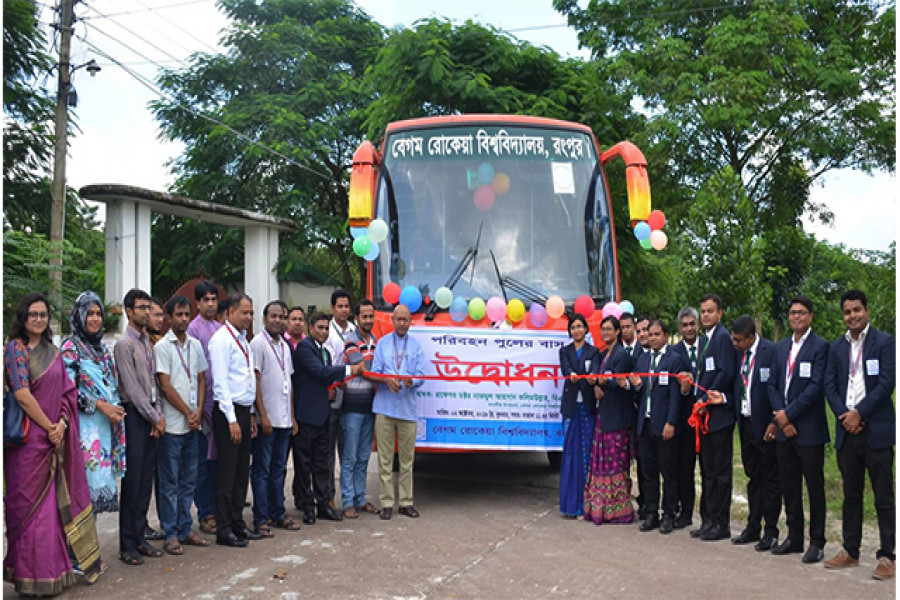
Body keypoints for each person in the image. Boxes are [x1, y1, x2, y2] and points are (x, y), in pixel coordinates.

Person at [4, 293, 103, 593]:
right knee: (27, 512)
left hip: (53, 441)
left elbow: (67, 394)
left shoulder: (54, 353)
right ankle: (27, 579)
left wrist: (60, 424)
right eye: (33, 314)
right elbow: (22, 394)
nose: (38, 319)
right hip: (27, 445)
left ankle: (51, 575)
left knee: (50, 513)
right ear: (23, 317)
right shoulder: (15, 349)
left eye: (43, 315)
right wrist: (49, 427)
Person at [823, 290, 896, 579]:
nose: (852, 316)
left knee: (883, 496)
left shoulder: (885, 342)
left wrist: (859, 413)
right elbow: (829, 385)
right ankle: (850, 551)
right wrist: (845, 415)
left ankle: (887, 555)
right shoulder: (836, 347)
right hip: (847, 432)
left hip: (876, 431)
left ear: (866, 310)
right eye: (847, 312)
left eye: (857, 310)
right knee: (850, 495)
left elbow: (887, 383)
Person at [768, 295, 829, 564]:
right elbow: (771, 384)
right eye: (793, 312)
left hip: (809, 430)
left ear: (810, 316)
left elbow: (816, 387)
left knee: (814, 487)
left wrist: (789, 414)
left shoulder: (820, 346)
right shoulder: (781, 347)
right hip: (785, 429)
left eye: (802, 312)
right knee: (789, 485)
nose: (796, 317)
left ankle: (817, 542)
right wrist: (782, 418)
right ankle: (794, 537)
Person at [154, 295, 211, 555]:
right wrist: (188, 412)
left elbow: (201, 379)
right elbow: (165, 385)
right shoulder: (162, 347)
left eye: (187, 314)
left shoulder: (195, 345)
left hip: (193, 425)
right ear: (169, 317)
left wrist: (198, 411)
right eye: (178, 314)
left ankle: (185, 528)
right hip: (173, 426)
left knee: (189, 480)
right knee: (170, 483)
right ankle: (170, 533)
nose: (184, 319)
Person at [292, 312, 361, 524]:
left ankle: (323, 505)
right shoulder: (304, 348)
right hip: (306, 416)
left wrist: (335, 387)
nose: (323, 332)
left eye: (325, 328)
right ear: (310, 328)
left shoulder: (325, 352)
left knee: (322, 464)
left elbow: (325, 379)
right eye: (319, 328)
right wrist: (349, 369)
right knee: (304, 465)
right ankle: (308, 507)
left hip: (323, 415)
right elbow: (320, 372)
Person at [61, 291, 126, 514]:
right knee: (82, 496)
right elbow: (68, 393)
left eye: (99, 313)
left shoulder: (102, 349)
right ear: (80, 315)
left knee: (96, 497)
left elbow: (111, 385)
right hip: (83, 432)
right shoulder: (70, 347)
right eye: (90, 313)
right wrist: (101, 405)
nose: (95, 319)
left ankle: (91, 538)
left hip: (105, 430)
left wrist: (115, 409)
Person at [115, 288, 165, 565]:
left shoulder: (147, 341)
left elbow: (154, 384)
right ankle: (127, 545)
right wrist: (154, 417)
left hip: (150, 416)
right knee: (132, 482)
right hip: (135, 417)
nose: (147, 312)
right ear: (129, 312)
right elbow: (132, 390)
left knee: (146, 481)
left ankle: (140, 538)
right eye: (142, 308)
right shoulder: (124, 344)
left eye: (149, 307)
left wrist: (158, 415)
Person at [209, 293, 262, 547]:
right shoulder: (221, 340)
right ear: (230, 312)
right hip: (227, 412)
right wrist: (232, 420)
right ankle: (224, 528)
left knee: (242, 472)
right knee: (228, 473)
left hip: (243, 410)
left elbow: (246, 380)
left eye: (251, 313)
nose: (249, 317)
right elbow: (220, 383)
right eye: (244, 312)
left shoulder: (243, 340)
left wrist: (249, 414)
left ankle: (238, 522)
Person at [630, 319, 689, 534]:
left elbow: (676, 396)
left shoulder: (675, 360)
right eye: (650, 334)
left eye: (656, 334)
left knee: (668, 472)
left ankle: (669, 514)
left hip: (664, 425)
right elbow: (637, 392)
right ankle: (652, 513)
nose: (652, 338)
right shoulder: (642, 359)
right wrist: (636, 386)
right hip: (644, 424)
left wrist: (671, 422)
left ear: (665, 335)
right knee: (648, 472)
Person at [729, 315, 781, 551]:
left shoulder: (771, 351)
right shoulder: (738, 354)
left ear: (751, 337)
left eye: (739, 340)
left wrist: (774, 421)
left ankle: (771, 531)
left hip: (765, 425)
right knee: (753, 477)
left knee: (770, 479)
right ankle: (753, 526)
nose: (735, 344)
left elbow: (776, 389)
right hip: (746, 422)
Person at [250, 300, 301, 535]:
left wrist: (292, 417)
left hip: (284, 419)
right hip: (267, 420)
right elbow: (255, 381)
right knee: (261, 470)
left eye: (282, 316)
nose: (278, 320)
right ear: (264, 318)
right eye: (274, 316)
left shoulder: (285, 347)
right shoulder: (258, 344)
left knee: (279, 469)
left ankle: (277, 512)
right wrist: (262, 416)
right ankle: (261, 518)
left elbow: (288, 383)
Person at [372, 304, 426, 520]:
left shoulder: (416, 346)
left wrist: (411, 381)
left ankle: (405, 502)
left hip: (407, 410)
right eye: (399, 319)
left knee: (407, 460)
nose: (402, 323)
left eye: (406, 320)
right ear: (392, 320)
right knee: (385, 460)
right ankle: (386, 503)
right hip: (384, 408)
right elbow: (374, 372)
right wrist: (386, 380)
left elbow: (422, 375)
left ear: (410, 322)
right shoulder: (382, 344)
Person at [691, 293, 736, 542]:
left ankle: (721, 523)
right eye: (703, 311)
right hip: (704, 415)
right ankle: (708, 520)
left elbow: (725, 373)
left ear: (720, 313)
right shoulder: (704, 339)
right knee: (707, 471)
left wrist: (706, 397)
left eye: (710, 311)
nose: (706, 315)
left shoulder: (723, 338)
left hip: (719, 416)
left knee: (720, 473)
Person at [583, 315, 634, 525]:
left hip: (617, 418)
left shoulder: (622, 355)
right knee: (600, 464)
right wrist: (596, 384)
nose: (605, 333)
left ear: (617, 332)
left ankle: (619, 511)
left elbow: (621, 383)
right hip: (602, 416)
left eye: (609, 329)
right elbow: (595, 375)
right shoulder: (603, 353)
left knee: (617, 464)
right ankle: (600, 508)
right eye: (603, 329)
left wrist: (604, 382)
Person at [556, 313, 600, 519]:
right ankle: (571, 505)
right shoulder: (564, 351)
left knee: (588, 454)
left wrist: (592, 379)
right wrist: (572, 375)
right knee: (571, 455)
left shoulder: (594, 351)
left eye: (580, 326)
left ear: (586, 329)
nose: (577, 330)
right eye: (573, 327)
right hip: (571, 409)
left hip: (588, 408)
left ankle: (587, 505)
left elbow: (596, 371)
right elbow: (566, 370)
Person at [186, 280, 221, 535]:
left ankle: (218, 508)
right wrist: (199, 407)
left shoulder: (221, 329)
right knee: (202, 464)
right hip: (201, 405)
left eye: (213, 299)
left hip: (221, 404)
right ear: (197, 303)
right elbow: (195, 372)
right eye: (205, 300)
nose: (210, 304)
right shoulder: (193, 330)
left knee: (218, 461)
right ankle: (205, 512)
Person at [340, 299, 380, 519]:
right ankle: (348, 502)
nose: (368, 320)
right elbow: (362, 370)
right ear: (356, 318)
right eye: (364, 316)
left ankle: (360, 499)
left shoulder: (375, 341)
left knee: (363, 457)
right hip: (352, 408)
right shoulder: (351, 340)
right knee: (349, 458)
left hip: (369, 408)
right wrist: (387, 378)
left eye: (371, 316)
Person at [671, 306, 704, 528]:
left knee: (709, 471)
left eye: (692, 324)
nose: (689, 328)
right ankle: (685, 512)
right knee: (683, 468)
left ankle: (710, 515)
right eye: (685, 325)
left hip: (709, 417)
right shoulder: (673, 353)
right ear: (679, 328)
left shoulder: (709, 347)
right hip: (684, 420)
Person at [323, 289, 356, 508]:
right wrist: (333, 383)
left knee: (348, 453)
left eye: (346, 306)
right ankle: (328, 497)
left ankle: (349, 498)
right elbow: (325, 364)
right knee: (328, 453)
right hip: (332, 398)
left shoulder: (354, 330)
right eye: (340, 306)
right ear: (333, 308)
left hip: (352, 399)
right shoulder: (327, 332)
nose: (344, 310)